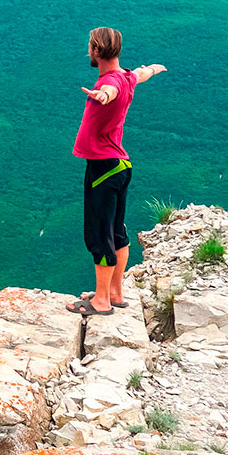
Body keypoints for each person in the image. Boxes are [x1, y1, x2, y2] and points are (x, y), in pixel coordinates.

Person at [69, 27, 166, 316]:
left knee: (100, 235)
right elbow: (139, 74)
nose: (89, 51)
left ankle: (100, 301)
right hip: (119, 166)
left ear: (97, 51)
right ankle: (114, 292)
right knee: (117, 232)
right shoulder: (125, 76)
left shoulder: (110, 83)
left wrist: (103, 96)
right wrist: (152, 69)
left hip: (103, 167)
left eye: (90, 47)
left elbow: (109, 92)